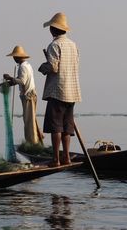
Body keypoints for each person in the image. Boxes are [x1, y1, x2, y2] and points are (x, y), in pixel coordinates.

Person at [38, 12, 81, 167]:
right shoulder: (73, 45)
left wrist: (43, 67)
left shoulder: (54, 45)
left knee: (56, 126)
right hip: (72, 91)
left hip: (58, 90)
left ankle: (56, 159)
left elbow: (53, 67)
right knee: (67, 127)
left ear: (53, 30)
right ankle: (67, 157)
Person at [3, 45, 44, 145]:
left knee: (29, 122)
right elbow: (20, 79)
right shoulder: (27, 65)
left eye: (14, 57)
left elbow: (22, 81)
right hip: (30, 95)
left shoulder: (23, 67)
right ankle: (38, 139)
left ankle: (33, 143)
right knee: (30, 120)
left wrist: (9, 77)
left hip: (28, 96)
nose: (13, 59)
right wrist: (9, 83)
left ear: (17, 57)